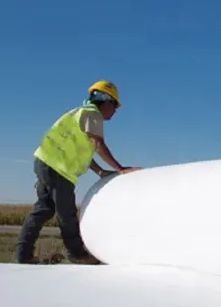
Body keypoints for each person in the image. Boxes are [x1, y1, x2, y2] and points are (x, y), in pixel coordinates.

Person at [15, 80, 141, 264]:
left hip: (46, 163)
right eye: (115, 106)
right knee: (66, 214)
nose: (115, 112)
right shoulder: (93, 115)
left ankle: (23, 256)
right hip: (58, 169)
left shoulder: (79, 113)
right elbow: (97, 144)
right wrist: (120, 169)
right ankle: (77, 254)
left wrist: (100, 172)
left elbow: (83, 152)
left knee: (43, 210)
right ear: (106, 101)